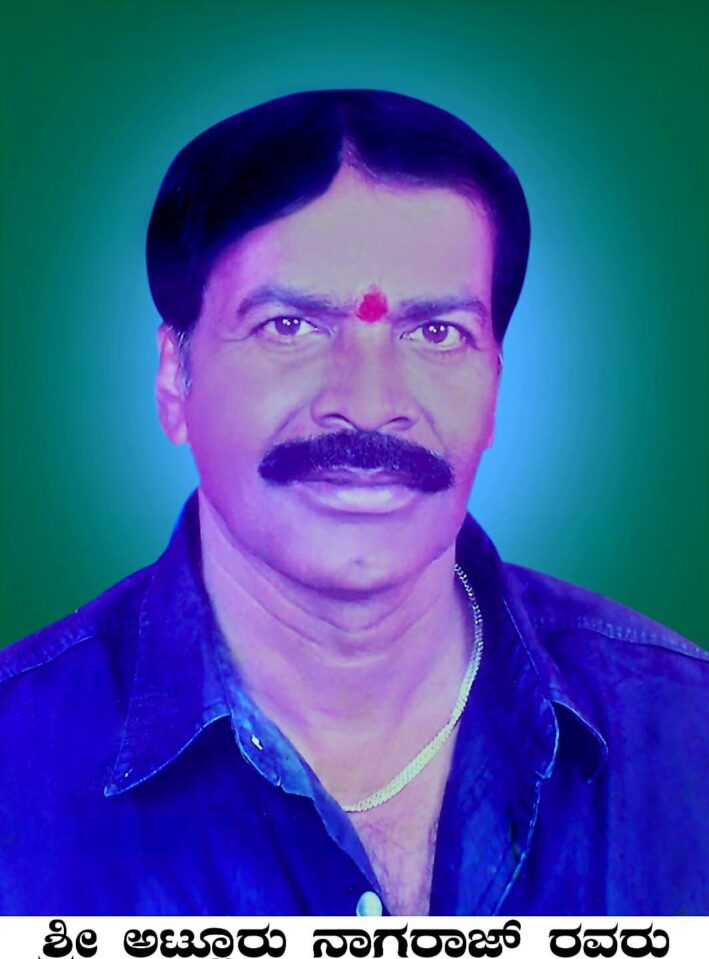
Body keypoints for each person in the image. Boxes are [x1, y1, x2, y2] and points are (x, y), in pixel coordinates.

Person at [0, 90, 706, 916]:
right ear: (172, 379)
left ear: (494, 386)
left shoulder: (683, 734)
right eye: (289, 327)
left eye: (435, 333)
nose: (368, 405)